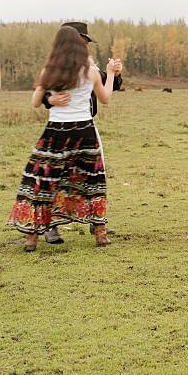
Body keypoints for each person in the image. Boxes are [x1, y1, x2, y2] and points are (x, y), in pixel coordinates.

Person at [7, 25, 117, 251]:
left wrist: (50, 98)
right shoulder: (91, 70)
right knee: (92, 180)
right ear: (79, 44)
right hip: (84, 131)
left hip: (56, 133)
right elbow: (105, 98)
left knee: (42, 181)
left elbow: (35, 102)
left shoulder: (49, 71)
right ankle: (100, 233)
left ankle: (31, 237)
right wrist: (112, 74)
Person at [42, 22, 123, 244]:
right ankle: (52, 226)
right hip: (61, 130)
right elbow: (42, 94)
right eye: (82, 41)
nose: (85, 46)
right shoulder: (56, 67)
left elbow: (104, 87)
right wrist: (49, 99)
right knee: (59, 178)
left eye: (86, 42)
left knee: (94, 175)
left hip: (87, 128)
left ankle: (96, 222)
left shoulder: (88, 67)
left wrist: (115, 75)